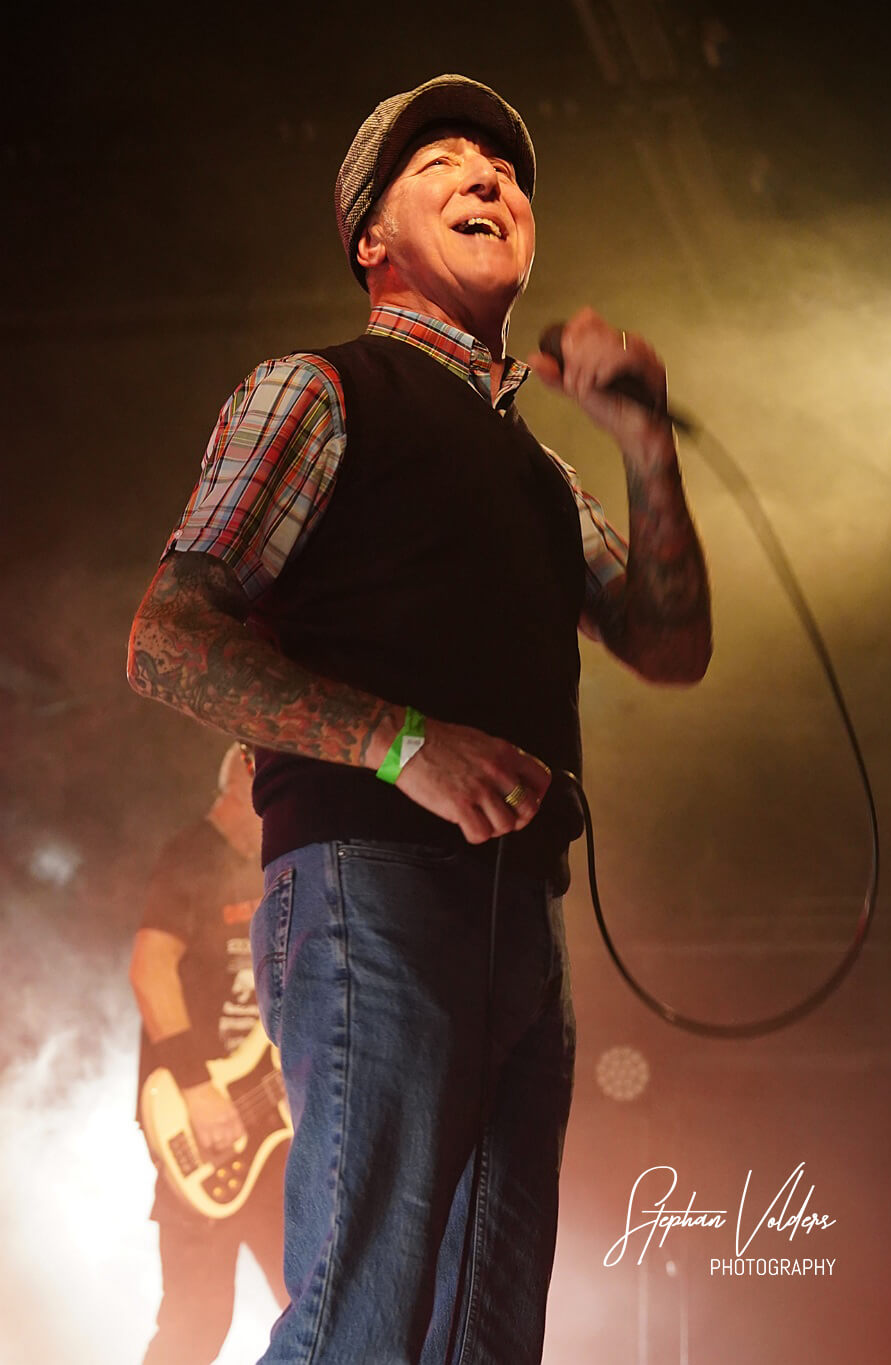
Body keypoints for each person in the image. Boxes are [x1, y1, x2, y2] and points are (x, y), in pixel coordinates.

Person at [127, 73, 711, 1365]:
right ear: (369, 239)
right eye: (440, 162)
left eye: (502, 170)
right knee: (363, 1318)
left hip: (520, 915)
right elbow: (167, 638)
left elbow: (669, 644)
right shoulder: (318, 392)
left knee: (480, 1338)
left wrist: (644, 444)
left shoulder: (542, 477)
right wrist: (401, 743)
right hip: (366, 884)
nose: (487, 176)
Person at [130, 743, 289, 1364]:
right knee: (196, 1326)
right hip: (200, 1125)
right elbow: (150, 969)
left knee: (321, 1307)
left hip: (275, 1133)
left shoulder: (282, 867)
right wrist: (197, 1089)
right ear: (247, 779)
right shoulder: (190, 855)